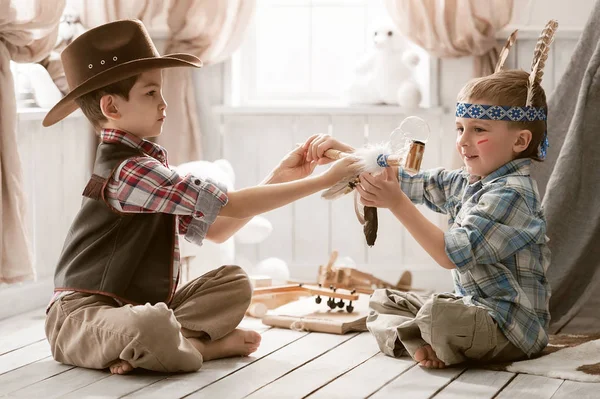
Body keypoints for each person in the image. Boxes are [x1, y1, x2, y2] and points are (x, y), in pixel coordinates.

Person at [42, 19, 358, 375]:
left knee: (234, 282)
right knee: (150, 326)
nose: (164, 104)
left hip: (139, 309)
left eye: (160, 92)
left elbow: (219, 228)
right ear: (112, 108)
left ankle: (150, 348)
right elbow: (232, 204)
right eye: (150, 94)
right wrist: (325, 180)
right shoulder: (130, 172)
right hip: (80, 318)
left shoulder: (148, 166)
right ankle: (197, 348)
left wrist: (282, 175)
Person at [306, 66, 552, 368]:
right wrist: (350, 156)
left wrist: (397, 204)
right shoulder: (469, 180)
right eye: (460, 128)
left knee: (437, 313)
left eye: (479, 130)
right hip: (470, 311)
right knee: (383, 302)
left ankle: (427, 337)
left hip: (509, 329)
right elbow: (410, 182)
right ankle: (429, 341)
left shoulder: (513, 194)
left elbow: (450, 254)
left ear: (519, 141)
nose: (463, 141)